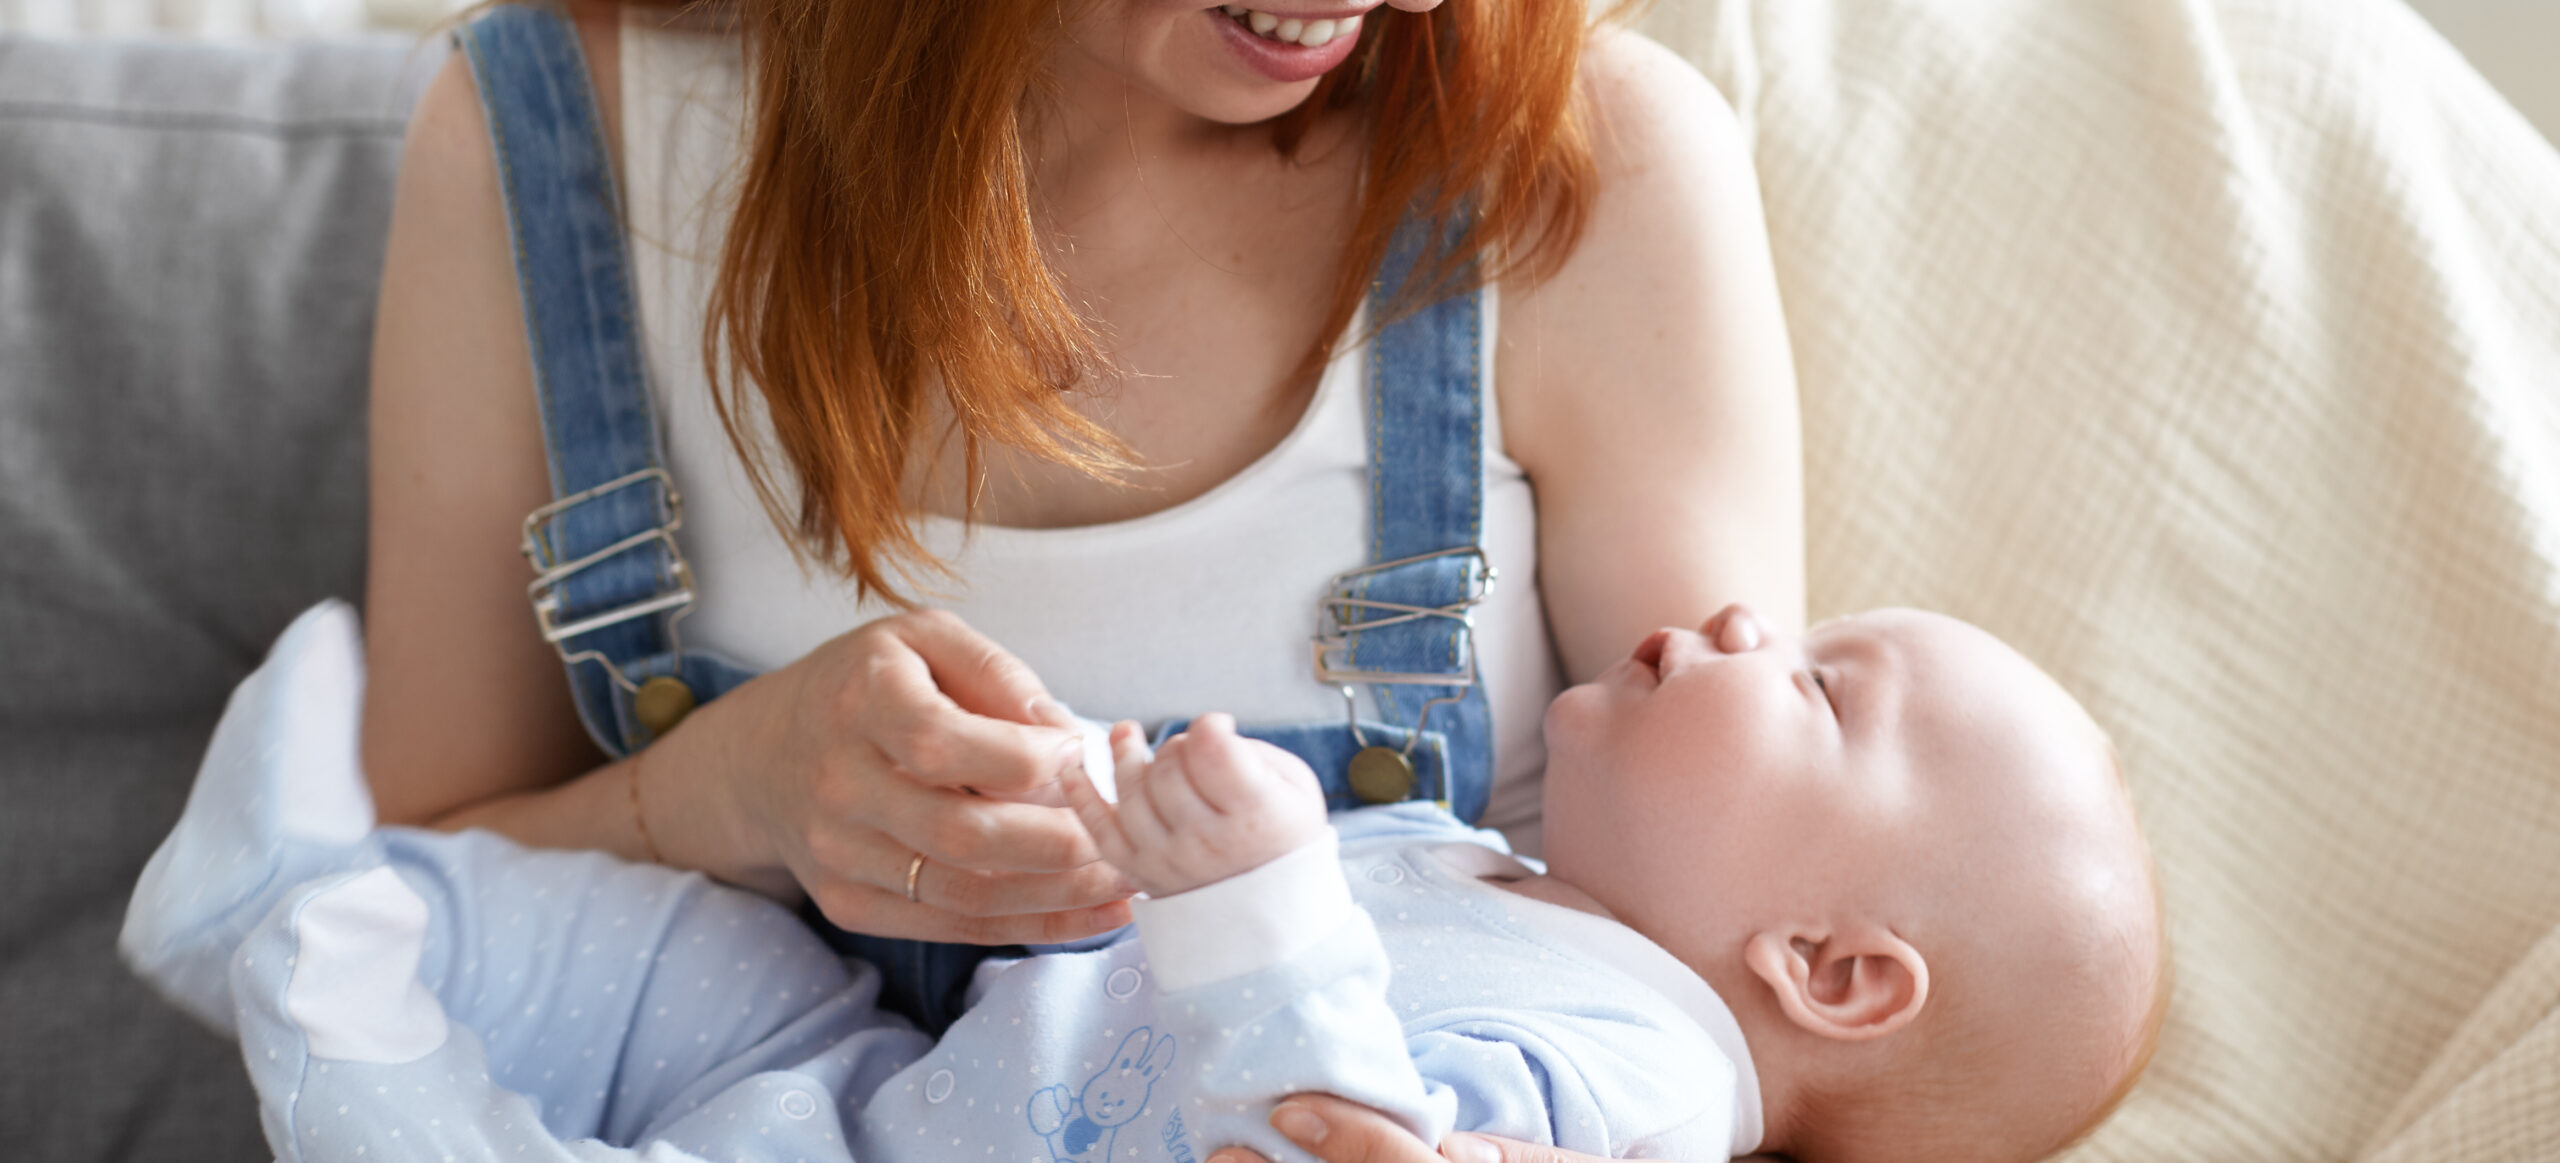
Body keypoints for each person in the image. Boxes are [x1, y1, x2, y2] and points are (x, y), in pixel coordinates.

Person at [365, 0, 1796, 1045]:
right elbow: (379, 908)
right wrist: (720, 794)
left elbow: (1762, 977)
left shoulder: (1588, 177)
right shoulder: (549, 147)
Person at [125, 599, 2163, 1163]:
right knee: (653, 955)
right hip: (912, 1075)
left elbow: (1365, 1143)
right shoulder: (1517, 881)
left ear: (1825, 965)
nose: (1729, 613)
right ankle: (328, 899)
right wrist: (1108, 820)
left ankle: (332, 990)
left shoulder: (1629, 1070)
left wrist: (1251, 907)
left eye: (1814, 679)